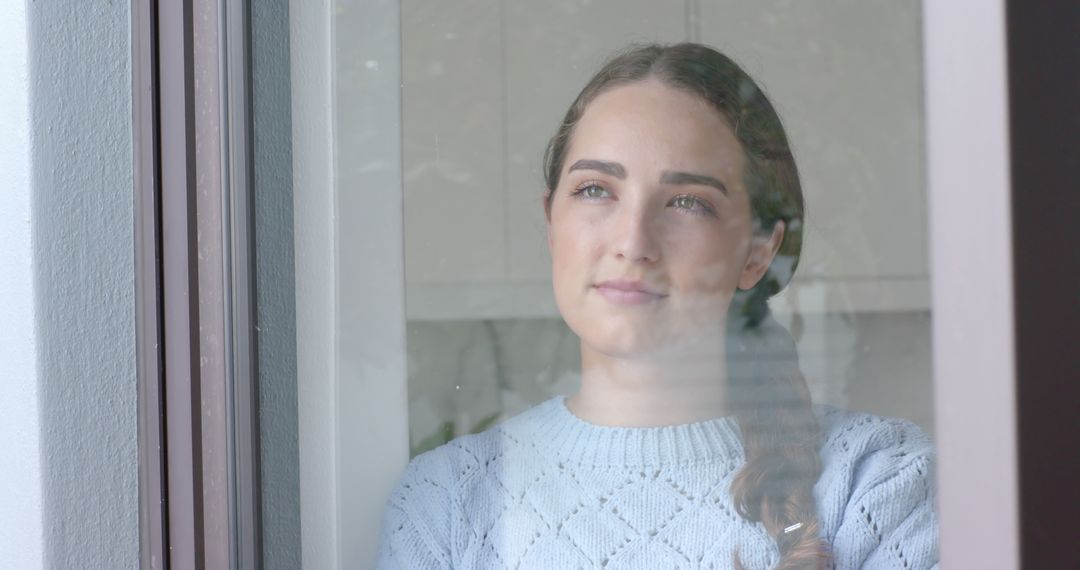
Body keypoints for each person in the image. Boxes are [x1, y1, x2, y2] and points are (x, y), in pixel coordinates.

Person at [375, 43, 937, 570]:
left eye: (688, 202)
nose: (633, 241)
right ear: (552, 222)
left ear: (758, 250)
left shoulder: (877, 480)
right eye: (596, 189)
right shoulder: (447, 501)